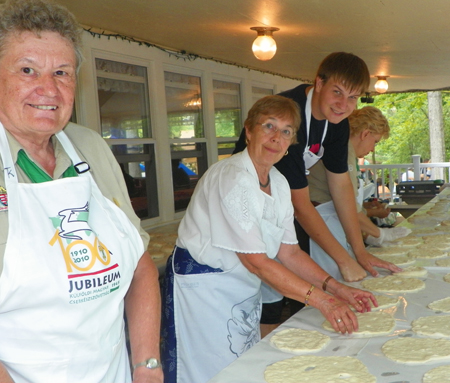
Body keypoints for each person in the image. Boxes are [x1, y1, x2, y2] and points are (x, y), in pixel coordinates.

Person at [161, 95, 377, 383]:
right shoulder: (234, 177)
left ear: (291, 143)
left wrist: (337, 289)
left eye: (286, 131)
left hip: (239, 288)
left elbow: (290, 253)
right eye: (269, 127)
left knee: (240, 368)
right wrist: (324, 302)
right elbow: (258, 263)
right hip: (204, 293)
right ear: (249, 131)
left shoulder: (277, 181)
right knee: (209, 372)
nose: (277, 137)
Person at [0, 1, 162, 382]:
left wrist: (147, 366)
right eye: (28, 70)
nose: (48, 88)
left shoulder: (90, 146)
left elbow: (139, 267)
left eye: (62, 72)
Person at [235, 52, 400, 334]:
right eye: (337, 92)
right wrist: (343, 260)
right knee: (264, 301)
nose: (343, 105)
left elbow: (342, 187)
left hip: (278, 206)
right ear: (318, 82)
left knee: (286, 280)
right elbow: (301, 203)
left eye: (352, 97)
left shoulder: (337, 124)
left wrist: (359, 252)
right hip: (247, 206)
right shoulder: (291, 116)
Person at [307, 107, 410, 273]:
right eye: (375, 141)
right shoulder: (343, 150)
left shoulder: (347, 152)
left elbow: (352, 205)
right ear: (365, 133)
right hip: (322, 223)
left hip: (333, 222)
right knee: (334, 278)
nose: (373, 149)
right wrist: (380, 234)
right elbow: (348, 207)